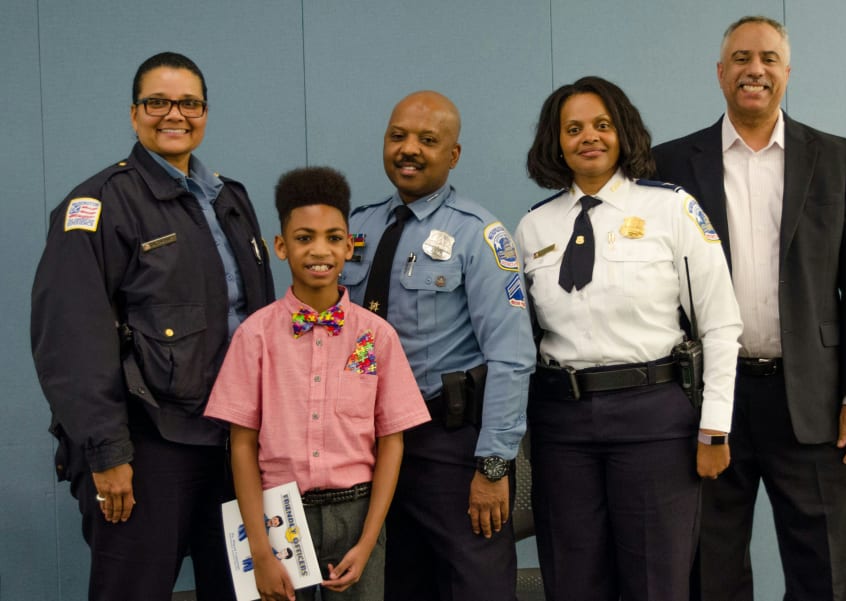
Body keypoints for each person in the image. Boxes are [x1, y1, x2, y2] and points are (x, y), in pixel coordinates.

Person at [652, 15, 846, 601]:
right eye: (740, 58)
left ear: (787, 72)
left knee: (823, 573)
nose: (754, 70)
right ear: (719, 73)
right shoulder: (670, 165)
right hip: (707, 400)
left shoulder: (837, 158)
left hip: (814, 402)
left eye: (768, 59)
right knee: (710, 571)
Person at [30, 51, 275, 600]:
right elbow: (70, 340)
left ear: (205, 112)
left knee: (241, 592)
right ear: (134, 113)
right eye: (158, 102)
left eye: (189, 103)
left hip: (231, 444)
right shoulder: (99, 204)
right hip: (147, 445)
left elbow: (257, 322)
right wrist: (107, 452)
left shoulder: (230, 200)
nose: (175, 115)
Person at [515, 75, 743, 601]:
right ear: (556, 142)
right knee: (571, 581)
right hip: (562, 425)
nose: (589, 137)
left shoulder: (671, 208)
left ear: (623, 132)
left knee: (655, 583)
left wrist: (715, 427)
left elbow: (721, 323)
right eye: (573, 129)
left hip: (653, 419)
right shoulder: (533, 227)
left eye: (602, 125)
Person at [340, 91, 536, 601]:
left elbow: (512, 357)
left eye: (428, 140)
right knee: (396, 584)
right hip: (370, 446)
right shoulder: (356, 228)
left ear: (453, 155)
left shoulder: (479, 235)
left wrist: (493, 466)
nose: (409, 149)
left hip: (450, 446)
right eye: (398, 136)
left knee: (477, 586)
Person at [205, 166, 430, 601]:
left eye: (332, 237)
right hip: (279, 514)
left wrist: (368, 542)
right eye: (304, 238)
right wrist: (260, 552)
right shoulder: (255, 336)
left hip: (358, 514)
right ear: (281, 246)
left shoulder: (377, 335)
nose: (319, 250)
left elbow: (392, 442)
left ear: (349, 246)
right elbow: (241, 445)